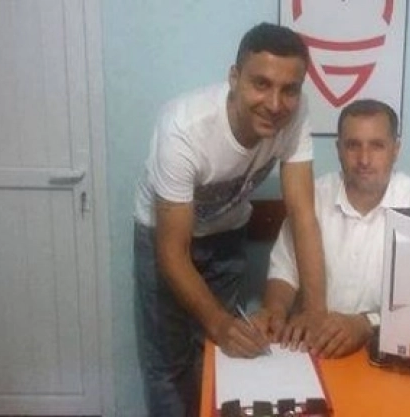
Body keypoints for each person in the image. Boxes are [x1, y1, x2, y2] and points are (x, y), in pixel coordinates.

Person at [132, 23, 327, 417]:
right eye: (261, 84)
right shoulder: (183, 129)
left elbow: (303, 215)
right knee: (170, 364)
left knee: (222, 353)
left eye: (289, 89)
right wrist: (219, 323)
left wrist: (316, 310)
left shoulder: (296, 113)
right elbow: (172, 253)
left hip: (227, 233)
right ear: (234, 78)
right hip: (165, 237)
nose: (275, 104)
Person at [253, 99, 410, 359]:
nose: (364, 159)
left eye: (377, 145)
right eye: (353, 145)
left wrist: (366, 324)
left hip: (383, 353)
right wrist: (274, 311)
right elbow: (284, 272)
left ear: (395, 150)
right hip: (311, 349)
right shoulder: (312, 199)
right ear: (338, 149)